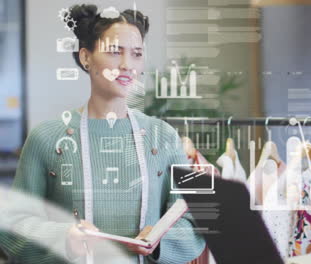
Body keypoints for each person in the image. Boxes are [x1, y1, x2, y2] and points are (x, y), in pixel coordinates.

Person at [0, 4, 205, 263]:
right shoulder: (46, 138)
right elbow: (12, 224)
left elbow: (195, 220)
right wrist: (65, 238)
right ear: (86, 57)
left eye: (137, 54)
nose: (127, 65)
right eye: (114, 52)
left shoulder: (163, 137)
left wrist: (162, 240)